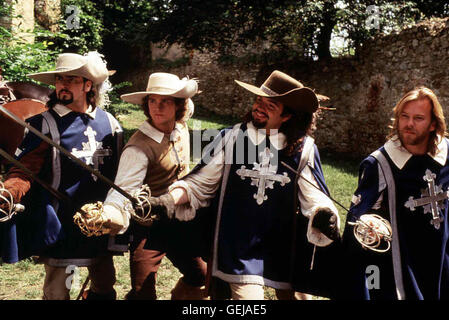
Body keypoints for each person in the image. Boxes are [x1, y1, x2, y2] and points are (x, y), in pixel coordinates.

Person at [147, 70, 341, 300]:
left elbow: (315, 196)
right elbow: (200, 182)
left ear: (287, 116)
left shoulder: (304, 148)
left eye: (270, 105)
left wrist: (323, 214)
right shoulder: (233, 138)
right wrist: (169, 199)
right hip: (238, 244)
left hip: (283, 244)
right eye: (258, 100)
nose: (259, 107)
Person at [0, 52, 124, 300]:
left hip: (100, 222)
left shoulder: (110, 124)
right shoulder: (43, 124)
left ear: (88, 85)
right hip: (63, 221)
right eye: (59, 79)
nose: (63, 85)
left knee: (104, 285)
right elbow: (24, 170)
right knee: (57, 292)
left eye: (72, 79)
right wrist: (8, 193)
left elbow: (122, 173)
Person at [81, 72, 208, 300]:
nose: (157, 108)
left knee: (201, 276)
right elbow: (123, 190)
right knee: (142, 293)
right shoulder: (138, 148)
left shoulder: (180, 129)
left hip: (180, 222)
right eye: (152, 101)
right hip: (148, 228)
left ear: (178, 106)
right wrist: (110, 213)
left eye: (165, 101)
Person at [341, 86, 449, 300]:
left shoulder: (447, 156)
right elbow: (356, 221)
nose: (409, 124)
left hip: (442, 260)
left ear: (433, 124)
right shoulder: (379, 164)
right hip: (401, 266)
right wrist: (369, 225)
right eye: (404, 116)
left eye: (418, 118)